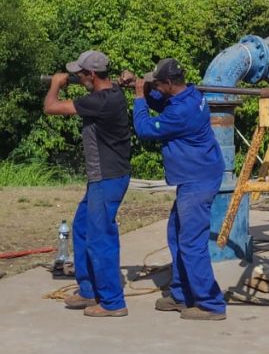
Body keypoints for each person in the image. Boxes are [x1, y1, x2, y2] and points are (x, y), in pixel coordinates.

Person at [128, 58, 227, 321]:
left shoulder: (181, 112)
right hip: (197, 174)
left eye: (158, 82)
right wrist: (144, 87)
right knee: (176, 234)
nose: (155, 86)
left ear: (170, 83)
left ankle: (210, 304)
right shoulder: (191, 94)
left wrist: (139, 96)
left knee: (191, 242)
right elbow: (162, 102)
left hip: (198, 180)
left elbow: (145, 129)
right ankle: (182, 294)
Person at [43, 50, 131, 318]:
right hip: (102, 178)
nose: (78, 79)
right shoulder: (111, 92)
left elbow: (51, 107)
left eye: (80, 75)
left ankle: (113, 302)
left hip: (107, 178)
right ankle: (89, 288)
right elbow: (112, 85)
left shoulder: (101, 101)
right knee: (81, 227)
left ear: (92, 75)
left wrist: (55, 85)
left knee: (100, 238)